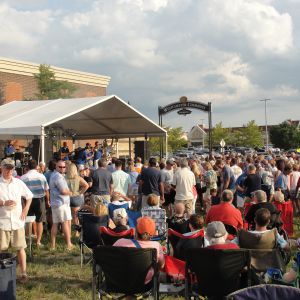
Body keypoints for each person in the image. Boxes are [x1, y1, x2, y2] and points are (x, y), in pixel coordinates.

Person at [0, 158, 33, 283]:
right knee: (1, 248)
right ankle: (2, 274)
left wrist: (25, 210)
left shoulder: (18, 183)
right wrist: (3, 202)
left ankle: (24, 273)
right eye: (6, 168)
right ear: (1, 168)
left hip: (17, 221)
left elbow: (29, 196)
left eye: (11, 168)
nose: (8, 170)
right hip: (2, 222)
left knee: (20, 248)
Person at [113, 216, 165, 284]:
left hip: (119, 282)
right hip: (144, 284)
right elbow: (161, 265)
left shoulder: (120, 242)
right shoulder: (156, 246)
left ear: (135, 231)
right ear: (152, 234)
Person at [21, 159, 49, 247]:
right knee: (39, 221)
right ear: (37, 166)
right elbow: (46, 190)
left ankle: (27, 241)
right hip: (40, 200)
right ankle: (38, 242)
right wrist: (48, 200)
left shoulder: (23, 177)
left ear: (27, 167)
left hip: (27, 200)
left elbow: (21, 193)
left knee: (28, 221)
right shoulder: (42, 176)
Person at [49, 160, 73, 250]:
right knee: (65, 223)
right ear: (56, 167)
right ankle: (69, 244)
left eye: (64, 167)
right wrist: (71, 193)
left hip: (56, 203)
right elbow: (63, 191)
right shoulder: (58, 177)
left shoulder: (54, 175)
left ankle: (53, 245)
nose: (62, 168)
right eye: (60, 167)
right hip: (61, 203)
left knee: (55, 224)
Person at [65, 163, 89, 233]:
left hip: (68, 198)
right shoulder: (78, 178)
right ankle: (77, 232)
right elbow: (86, 185)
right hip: (77, 198)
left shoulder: (64, 178)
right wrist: (80, 192)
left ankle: (67, 231)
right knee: (76, 216)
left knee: (69, 216)